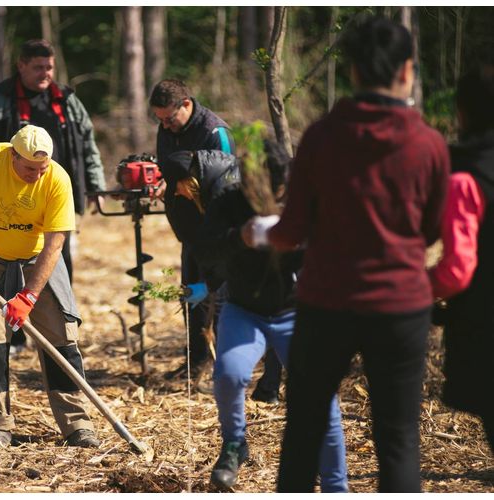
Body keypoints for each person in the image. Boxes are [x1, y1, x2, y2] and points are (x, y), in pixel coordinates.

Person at [261, 17, 450, 492]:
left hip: (327, 302)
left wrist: (258, 232)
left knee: (303, 430)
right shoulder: (429, 143)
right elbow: (430, 232)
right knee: (399, 438)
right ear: (407, 71)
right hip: (402, 306)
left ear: (352, 73)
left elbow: (292, 231)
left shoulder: (322, 137)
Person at [193, 140, 348, 491]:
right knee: (230, 374)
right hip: (245, 309)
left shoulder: (304, 198)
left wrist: (299, 242)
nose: (267, 200)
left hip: (300, 312)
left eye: (275, 192)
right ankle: (235, 443)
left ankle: (337, 485)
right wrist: (239, 238)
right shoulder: (229, 201)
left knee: (323, 398)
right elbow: (203, 247)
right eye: (257, 192)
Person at [0, 125, 100, 450]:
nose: (36, 176)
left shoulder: (57, 179)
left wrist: (30, 296)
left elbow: (55, 245)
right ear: (13, 154)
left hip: (40, 263)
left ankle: (77, 426)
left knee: (62, 339)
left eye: (42, 169)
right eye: (29, 169)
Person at [0, 39, 107, 283]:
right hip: (9, 195)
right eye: (38, 67)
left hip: (56, 192)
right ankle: (11, 309)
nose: (46, 73)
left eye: (49, 67)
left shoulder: (66, 100)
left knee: (58, 256)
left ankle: (57, 311)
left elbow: (87, 144)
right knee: (7, 260)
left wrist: (96, 186)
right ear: (21, 65)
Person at [149, 79, 250, 384]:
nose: (165, 125)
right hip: (189, 229)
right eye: (160, 119)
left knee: (219, 295)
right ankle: (195, 362)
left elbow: (228, 182)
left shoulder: (214, 132)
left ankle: (225, 365)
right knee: (191, 293)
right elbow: (169, 168)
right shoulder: (167, 128)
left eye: (169, 118)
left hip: (217, 231)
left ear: (187, 104)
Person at [429, 63, 494, 454]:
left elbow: (456, 269)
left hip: (482, 320)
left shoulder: (464, 176)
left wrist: (414, 290)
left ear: (462, 111)